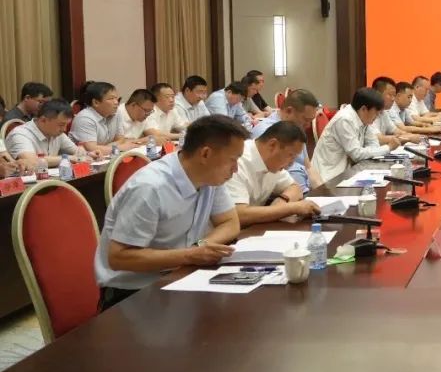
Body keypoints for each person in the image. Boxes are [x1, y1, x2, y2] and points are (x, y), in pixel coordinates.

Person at [94, 115, 245, 309]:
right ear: (205, 154)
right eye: (233, 160)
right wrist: (190, 255)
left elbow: (230, 223)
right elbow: (119, 258)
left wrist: (199, 247)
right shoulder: (150, 188)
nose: (236, 169)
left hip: (179, 276)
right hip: (133, 293)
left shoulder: (210, 177)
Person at [225, 121, 320, 227]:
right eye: (291, 155)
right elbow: (239, 215)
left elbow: (295, 188)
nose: (292, 163)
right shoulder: (237, 162)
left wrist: (282, 201)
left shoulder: (272, 162)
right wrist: (290, 208)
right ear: (272, 145)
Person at [250, 88, 322, 192]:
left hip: (301, 191)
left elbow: (309, 167)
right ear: (289, 111)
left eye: (310, 121)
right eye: (306, 120)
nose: (308, 125)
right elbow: (275, 179)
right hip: (283, 194)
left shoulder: (296, 130)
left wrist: (324, 192)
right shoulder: (267, 132)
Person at [311, 87, 389, 181]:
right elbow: (357, 155)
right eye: (376, 113)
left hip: (346, 172)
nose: (376, 117)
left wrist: (371, 151)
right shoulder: (345, 120)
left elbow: (373, 144)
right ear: (364, 109)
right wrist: (388, 147)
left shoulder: (363, 118)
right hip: (329, 177)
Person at [6, 99, 81, 168]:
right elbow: (31, 161)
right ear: (43, 120)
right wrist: (67, 158)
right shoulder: (20, 134)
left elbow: (79, 153)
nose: (64, 129)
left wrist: (82, 154)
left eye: (67, 125)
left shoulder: (57, 133)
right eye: (61, 125)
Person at [70, 81, 138, 157]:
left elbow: (121, 139)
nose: (116, 102)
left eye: (116, 98)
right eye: (111, 98)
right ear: (96, 102)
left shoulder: (116, 113)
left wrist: (107, 148)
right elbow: (91, 149)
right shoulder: (85, 118)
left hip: (104, 158)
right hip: (81, 160)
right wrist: (120, 148)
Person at [370, 77, 418, 147]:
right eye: (390, 95)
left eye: (394, 95)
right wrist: (408, 138)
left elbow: (396, 131)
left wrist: (412, 136)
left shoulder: (384, 112)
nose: (393, 99)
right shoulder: (369, 112)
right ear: (378, 94)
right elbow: (379, 139)